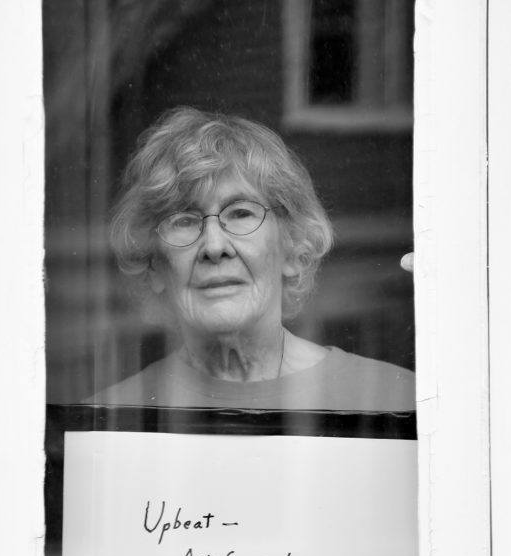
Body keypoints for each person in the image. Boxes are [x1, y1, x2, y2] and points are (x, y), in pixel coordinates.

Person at [90, 106, 414, 411]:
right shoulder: (112, 419)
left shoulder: (394, 402)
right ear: (154, 265)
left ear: (292, 247)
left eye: (241, 213)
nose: (214, 246)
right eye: (184, 221)